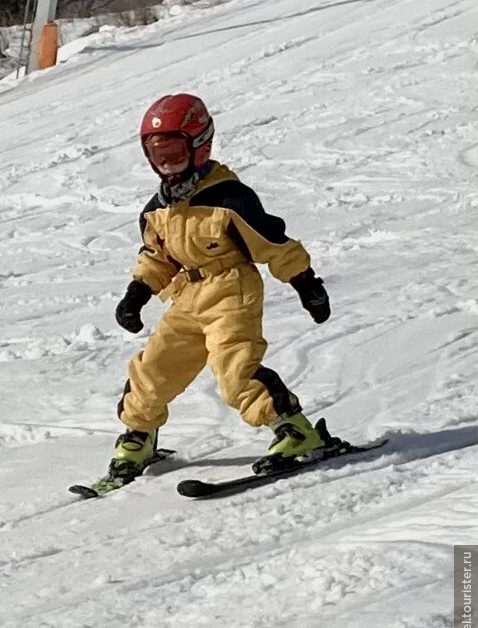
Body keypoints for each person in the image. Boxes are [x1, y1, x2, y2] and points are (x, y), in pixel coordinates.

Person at [108, 93, 331, 482]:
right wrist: (137, 293)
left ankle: (294, 429)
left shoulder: (228, 198)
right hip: (187, 294)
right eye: (157, 154)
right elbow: (158, 258)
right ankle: (139, 434)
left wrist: (305, 283)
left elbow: (273, 243)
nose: (167, 164)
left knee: (234, 370)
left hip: (232, 289)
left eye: (175, 152)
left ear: (199, 145)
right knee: (155, 365)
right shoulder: (157, 208)